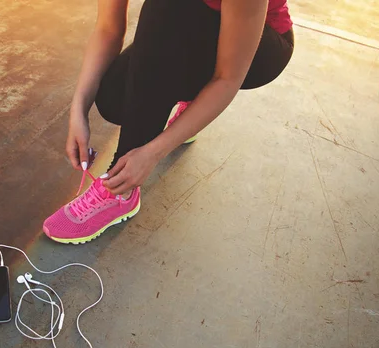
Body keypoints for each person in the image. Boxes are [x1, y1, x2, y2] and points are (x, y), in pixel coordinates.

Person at [43, 0, 294, 244]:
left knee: (168, 6)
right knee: (113, 98)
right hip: (192, 27)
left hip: (260, 48)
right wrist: (78, 110)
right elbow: (108, 29)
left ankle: (120, 188)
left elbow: (227, 79)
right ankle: (192, 98)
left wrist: (151, 153)